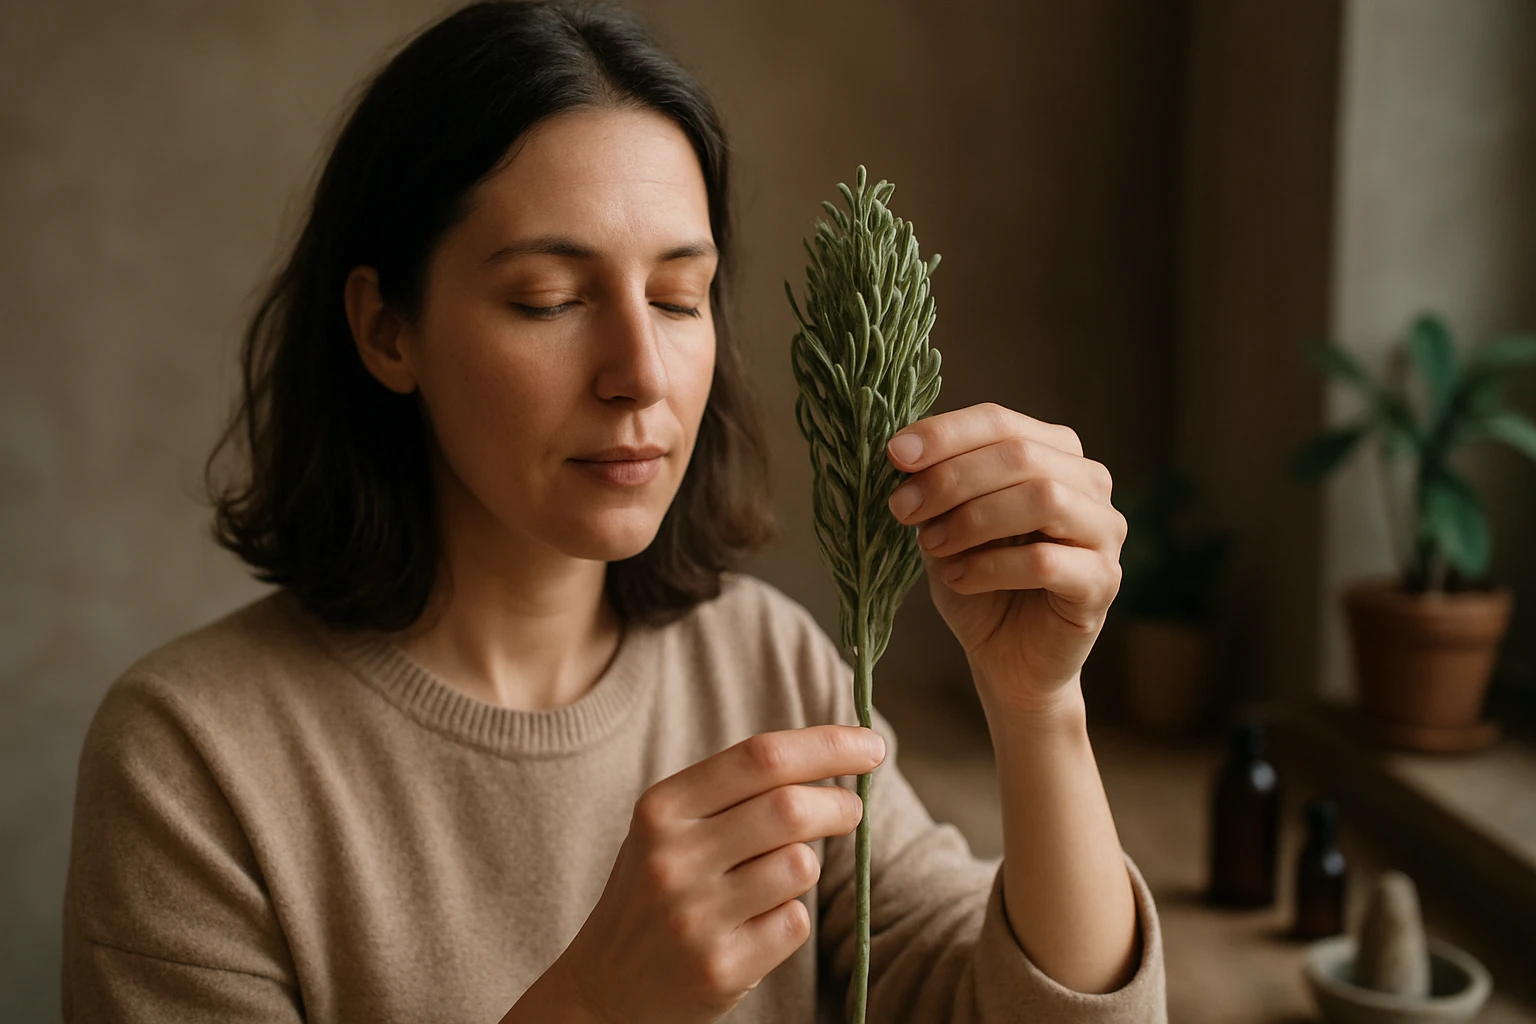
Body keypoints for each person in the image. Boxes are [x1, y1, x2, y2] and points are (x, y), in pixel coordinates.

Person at [60, 2, 1167, 1021]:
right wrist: (591, 1004)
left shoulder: (763, 666)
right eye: (550, 299)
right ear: (386, 329)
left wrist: (1039, 711)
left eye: (679, 298)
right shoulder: (193, 759)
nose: (640, 371)